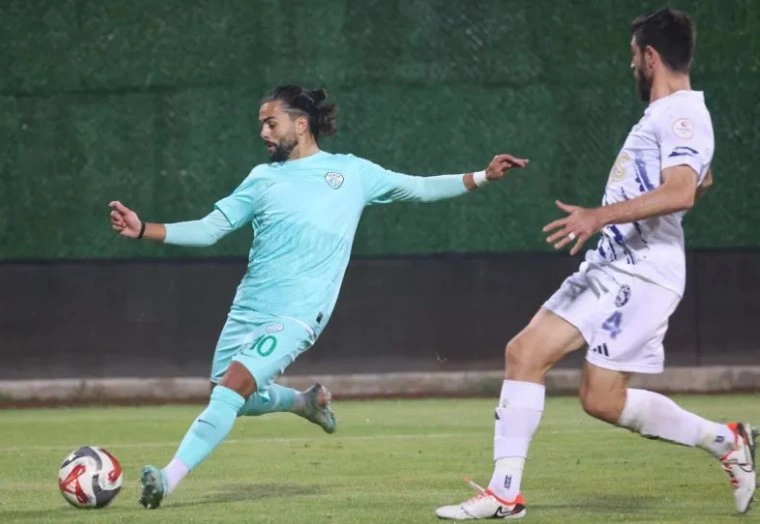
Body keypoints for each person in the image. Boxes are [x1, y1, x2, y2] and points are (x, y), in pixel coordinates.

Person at [108, 84, 529, 509]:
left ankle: (167, 479)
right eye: (261, 125)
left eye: (271, 123)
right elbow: (210, 228)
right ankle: (304, 401)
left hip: (299, 313)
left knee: (232, 388)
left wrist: (483, 176)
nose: (263, 132)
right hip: (248, 306)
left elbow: (419, 188)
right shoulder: (262, 178)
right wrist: (144, 230)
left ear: (300, 124)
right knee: (231, 394)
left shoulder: (351, 173)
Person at [436, 7, 755, 520]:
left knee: (599, 397)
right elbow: (703, 179)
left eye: (633, 56)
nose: (631, 66)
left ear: (650, 57)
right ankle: (505, 494)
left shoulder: (681, 114)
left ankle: (726, 441)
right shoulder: (669, 115)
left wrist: (599, 216)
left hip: (642, 273)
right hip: (614, 264)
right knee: (529, 356)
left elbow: (682, 191)